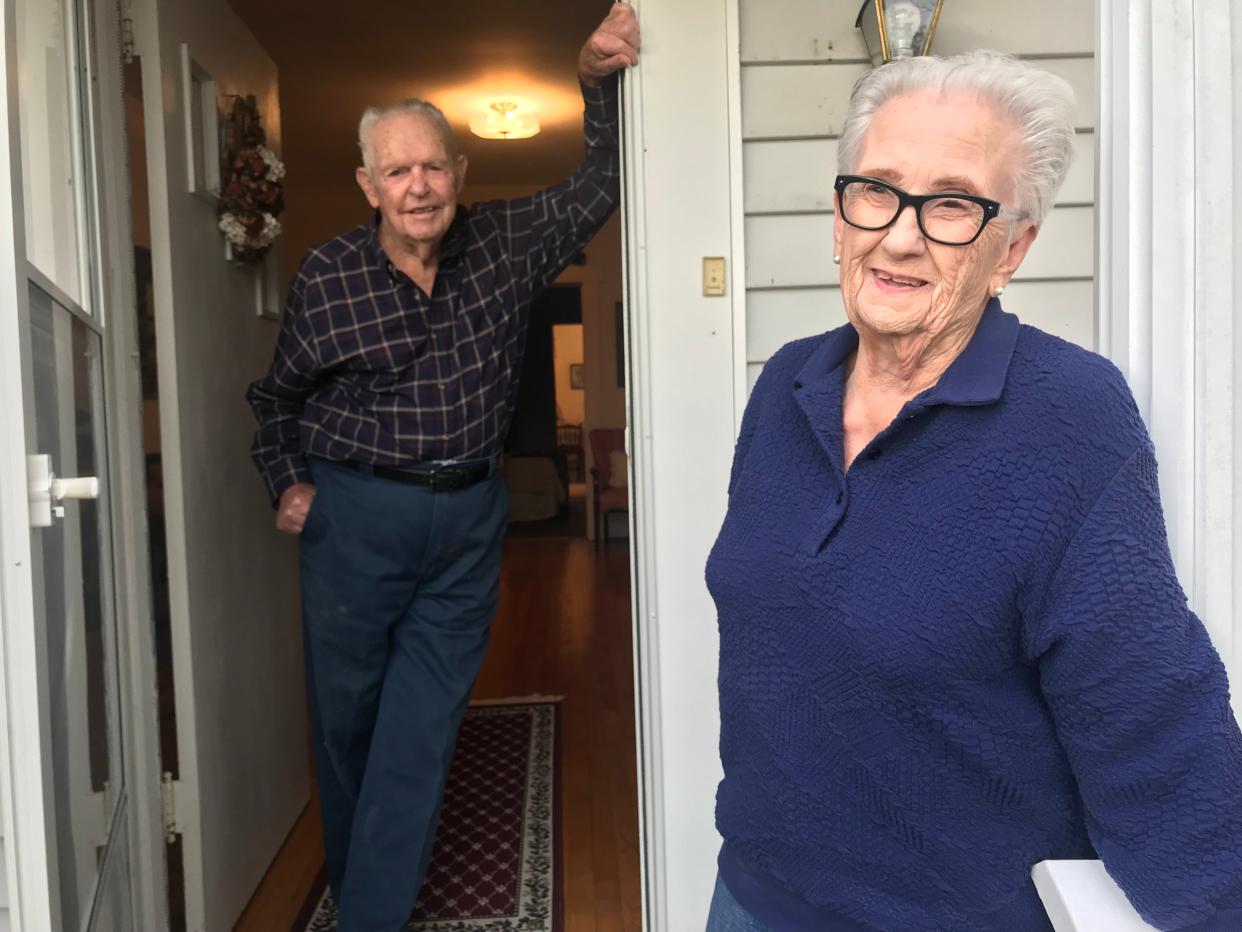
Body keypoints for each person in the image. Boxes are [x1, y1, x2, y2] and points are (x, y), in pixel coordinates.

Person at [705, 50, 1242, 932]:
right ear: (841, 219)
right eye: (876, 189)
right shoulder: (791, 384)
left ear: (1013, 248)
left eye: (952, 203)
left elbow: (1150, 717)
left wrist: (1210, 910)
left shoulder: (1071, 418)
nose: (901, 236)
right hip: (756, 893)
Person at [245, 5, 639, 929]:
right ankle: (359, 884)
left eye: (432, 166)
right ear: (368, 184)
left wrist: (592, 78)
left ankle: (368, 915)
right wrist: (286, 480)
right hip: (353, 520)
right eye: (398, 171)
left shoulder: (505, 244)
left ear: (458, 172)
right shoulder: (327, 278)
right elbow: (277, 400)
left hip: (466, 520)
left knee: (419, 729)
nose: (418, 186)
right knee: (346, 729)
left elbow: (601, 181)